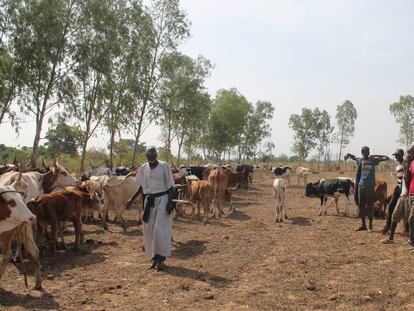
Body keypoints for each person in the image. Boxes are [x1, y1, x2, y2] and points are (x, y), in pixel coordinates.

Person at [126, 146, 175, 271]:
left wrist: (170, 202)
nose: (152, 157)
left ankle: (161, 259)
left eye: (154, 154)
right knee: (149, 229)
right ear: (147, 156)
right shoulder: (144, 168)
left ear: (156, 155)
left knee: (160, 229)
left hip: (163, 199)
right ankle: (154, 258)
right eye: (150, 155)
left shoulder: (164, 166)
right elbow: (142, 187)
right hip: (149, 201)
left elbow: (171, 186)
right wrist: (131, 199)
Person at [345, 146, 389, 232]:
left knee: (370, 205)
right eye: (365, 151)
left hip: (370, 186)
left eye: (368, 151)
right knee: (361, 205)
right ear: (362, 152)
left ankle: (370, 226)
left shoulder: (373, 160)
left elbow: (386, 158)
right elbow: (353, 157)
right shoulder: (360, 160)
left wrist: (376, 155)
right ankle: (363, 225)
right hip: (361, 185)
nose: (367, 153)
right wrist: (348, 154)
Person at [381, 149, 405, 234]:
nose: (396, 157)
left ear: (402, 155)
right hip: (398, 188)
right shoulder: (398, 165)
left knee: (402, 210)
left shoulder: (406, 164)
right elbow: (400, 179)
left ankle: (406, 229)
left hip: (404, 189)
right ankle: (388, 226)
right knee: (391, 206)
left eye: (397, 155)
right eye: (395, 155)